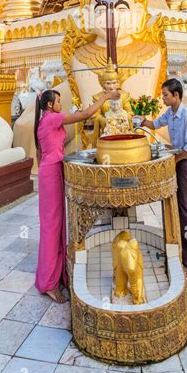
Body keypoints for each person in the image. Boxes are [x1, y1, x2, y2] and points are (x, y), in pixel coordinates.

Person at [34, 87, 119, 303]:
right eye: (59, 101)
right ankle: (48, 283)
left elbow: (40, 152)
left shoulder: (45, 120)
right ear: (50, 105)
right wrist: (105, 97)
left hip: (52, 170)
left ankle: (58, 275)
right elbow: (84, 115)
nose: (61, 104)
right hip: (51, 173)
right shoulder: (52, 118)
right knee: (52, 227)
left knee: (58, 225)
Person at [140, 78, 187, 279]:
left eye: (166, 95)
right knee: (175, 209)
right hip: (175, 162)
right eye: (162, 95)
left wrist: (173, 161)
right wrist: (141, 121)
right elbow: (154, 124)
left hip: (184, 164)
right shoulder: (170, 114)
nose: (163, 98)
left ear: (176, 95)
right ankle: (181, 253)